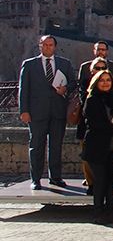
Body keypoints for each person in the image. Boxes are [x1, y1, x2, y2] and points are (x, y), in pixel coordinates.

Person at [18, 35, 76, 190]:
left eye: (50, 45)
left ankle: (55, 177)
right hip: (36, 113)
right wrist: (24, 111)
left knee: (56, 146)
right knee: (36, 146)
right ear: (40, 46)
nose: (47, 47)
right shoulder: (29, 65)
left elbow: (73, 83)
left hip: (58, 111)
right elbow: (23, 90)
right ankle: (35, 179)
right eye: (44, 44)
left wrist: (66, 89)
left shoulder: (65, 63)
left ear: (55, 47)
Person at [81, 70, 113, 224]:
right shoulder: (92, 100)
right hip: (97, 146)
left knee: (111, 180)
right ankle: (98, 211)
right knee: (100, 180)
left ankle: (111, 210)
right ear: (96, 83)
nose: (105, 83)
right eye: (102, 80)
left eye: (108, 79)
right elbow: (97, 124)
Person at [77, 57, 108, 195]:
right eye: (97, 68)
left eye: (102, 68)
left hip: (105, 127)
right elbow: (83, 102)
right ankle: (91, 183)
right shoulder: (85, 84)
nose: (99, 71)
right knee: (87, 157)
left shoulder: (110, 84)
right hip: (87, 125)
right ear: (91, 70)